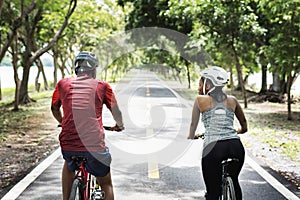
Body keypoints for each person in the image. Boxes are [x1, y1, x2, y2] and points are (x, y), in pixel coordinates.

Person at [51, 51, 124, 200]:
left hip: (68, 143)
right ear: (94, 70)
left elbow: (54, 108)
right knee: (106, 185)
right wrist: (119, 125)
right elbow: (116, 111)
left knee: (69, 164)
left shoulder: (63, 84)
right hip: (94, 145)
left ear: (76, 68)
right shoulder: (102, 86)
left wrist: (62, 122)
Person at [188, 66, 247, 200]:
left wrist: (191, 135)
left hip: (214, 148)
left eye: (200, 84)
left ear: (208, 85)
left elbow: (193, 124)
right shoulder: (233, 100)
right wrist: (239, 131)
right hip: (235, 146)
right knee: (234, 179)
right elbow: (244, 125)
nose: (199, 87)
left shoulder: (200, 100)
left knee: (213, 192)